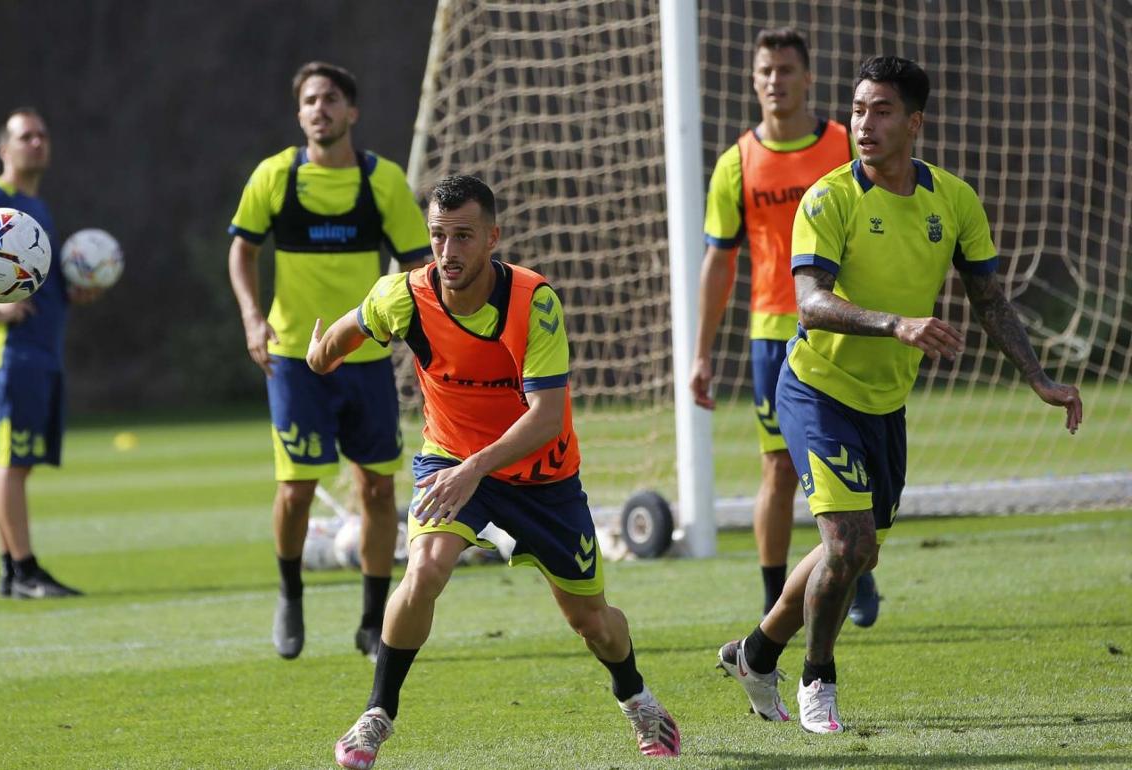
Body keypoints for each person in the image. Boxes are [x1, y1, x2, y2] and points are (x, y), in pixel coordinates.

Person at [718, 56, 1082, 734]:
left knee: (856, 552)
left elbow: (989, 299)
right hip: (816, 391)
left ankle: (756, 653)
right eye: (858, 109)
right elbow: (810, 304)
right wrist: (895, 324)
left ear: (914, 123)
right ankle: (818, 679)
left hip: (885, 405)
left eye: (881, 111)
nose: (865, 123)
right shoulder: (828, 199)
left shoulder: (954, 200)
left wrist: (1038, 377)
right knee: (847, 544)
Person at [308, 175, 680, 769]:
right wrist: (319, 354)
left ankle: (636, 697)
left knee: (592, 622)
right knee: (425, 570)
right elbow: (342, 336)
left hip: (541, 479)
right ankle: (377, 713)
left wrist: (476, 469)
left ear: (492, 238)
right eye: (438, 236)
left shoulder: (534, 302)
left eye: (463, 236)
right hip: (450, 459)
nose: (447, 251)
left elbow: (547, 417)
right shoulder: (404, 297)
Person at [227, 61, 430, 661]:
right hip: (294, 359)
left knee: (378, 490)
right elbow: (241, 251)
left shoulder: (382, 181)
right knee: (296, 491)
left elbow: (417, 264)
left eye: (332, 98)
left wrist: (411, 328)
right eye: (311, 100)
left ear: (352, 112)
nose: (321, 108)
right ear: (300, 114)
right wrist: (252, 318)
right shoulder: (275, 176)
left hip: (365, 357)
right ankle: (290, 595)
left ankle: (372, 623)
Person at [690, 27, 882, 630]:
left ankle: (856, 569)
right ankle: (775, 599)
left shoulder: (842, 145)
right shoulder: (737, 162)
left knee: (858, 457)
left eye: (786, 70)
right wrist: (701, 353)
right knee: (778, 467)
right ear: (754, 81)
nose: (776, 81)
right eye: (766, 71)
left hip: (843, 327)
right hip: (774, 335)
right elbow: (719, 261)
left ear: (808, 78)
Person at [0, 108, 99, 599]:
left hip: (40, 350)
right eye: (26, 136)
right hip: (13, 352)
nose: (38, 142)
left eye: (43, 135)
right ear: (4, 149)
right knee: (13, 459)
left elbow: (29, 280)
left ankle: (13, 571)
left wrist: (73, 291)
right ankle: (24, 570)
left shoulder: (35, 205)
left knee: (17, 461)